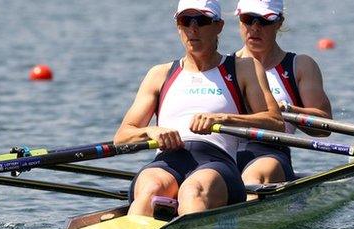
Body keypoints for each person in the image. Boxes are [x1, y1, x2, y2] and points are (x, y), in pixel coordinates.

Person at [114, 0, 284, 217]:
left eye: (202, 21)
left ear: (219, 26)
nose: (193, 29)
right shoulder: (160, 74)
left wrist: (223, 119)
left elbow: (275, 122)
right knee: (151, 188)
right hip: (167, 160)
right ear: (178, 26)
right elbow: (122, 136)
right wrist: (151, 131)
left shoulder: (244, 68)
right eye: (186, 21)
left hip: (216, 161)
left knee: (192, 191)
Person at [234, 0, 333, 190]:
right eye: (248, 19)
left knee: (255, 175)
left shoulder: (300, 66)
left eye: (264, 21)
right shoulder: (225, 66)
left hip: (271, 154)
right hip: (226, 155)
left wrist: (287, 109)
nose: (255, 28)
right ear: (239, 20)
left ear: (279, 22)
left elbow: (324, 127)